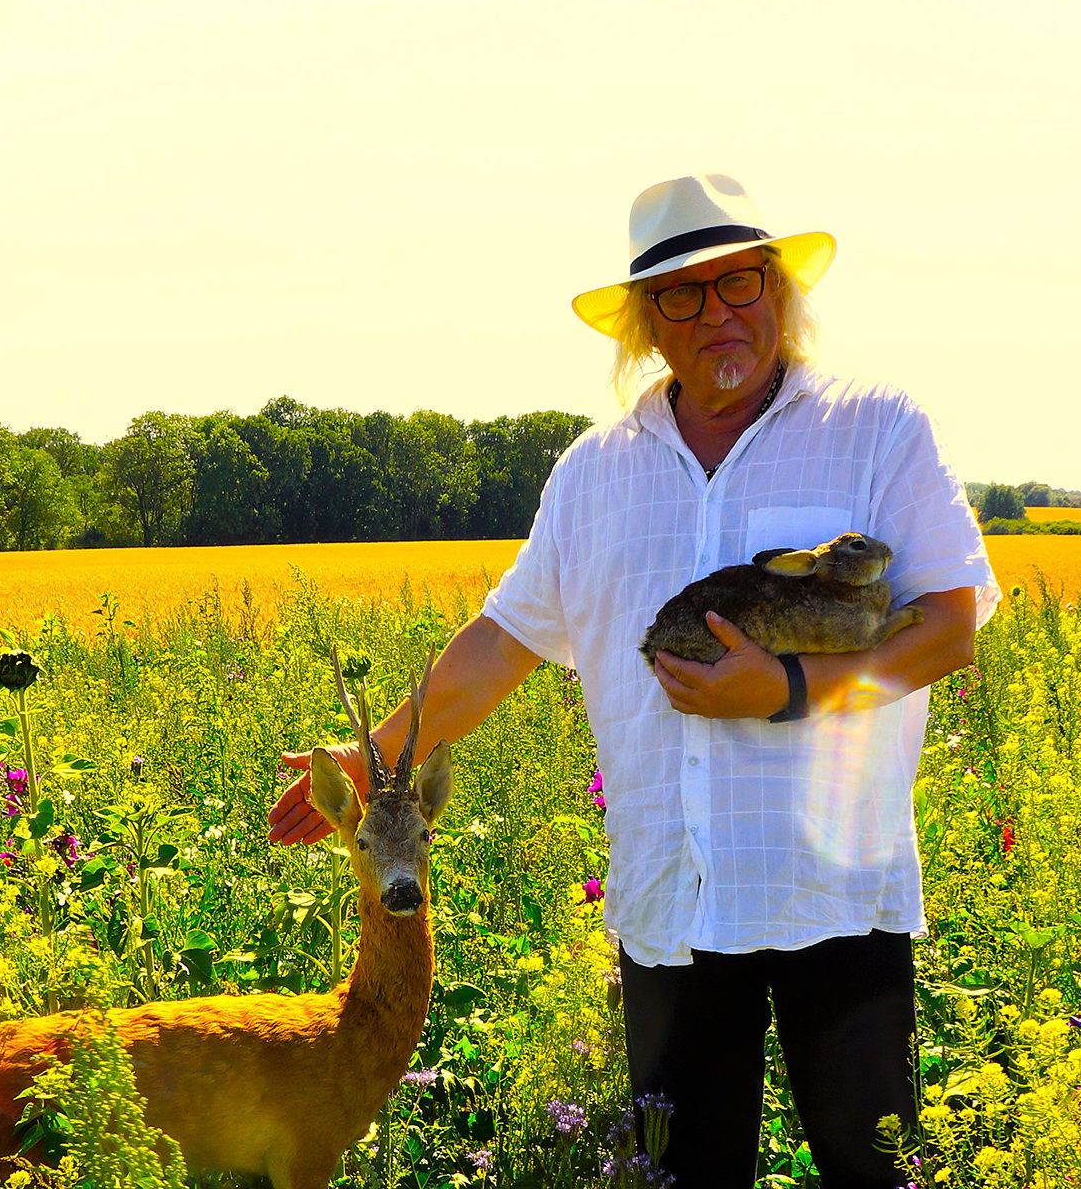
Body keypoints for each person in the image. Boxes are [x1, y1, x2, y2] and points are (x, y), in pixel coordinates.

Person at [267, 173, 999, 1187]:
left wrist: (787, 689)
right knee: (684, 1178)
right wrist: (376, 753)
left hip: (833, 894)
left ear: (777, 290)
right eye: (682, 296)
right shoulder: (592, 472)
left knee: (869, 1172)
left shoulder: (873, 430)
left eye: (737, 282)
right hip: (669, 910)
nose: (717, 314)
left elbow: (946, 630)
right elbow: (500, 643)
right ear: (648, 324)